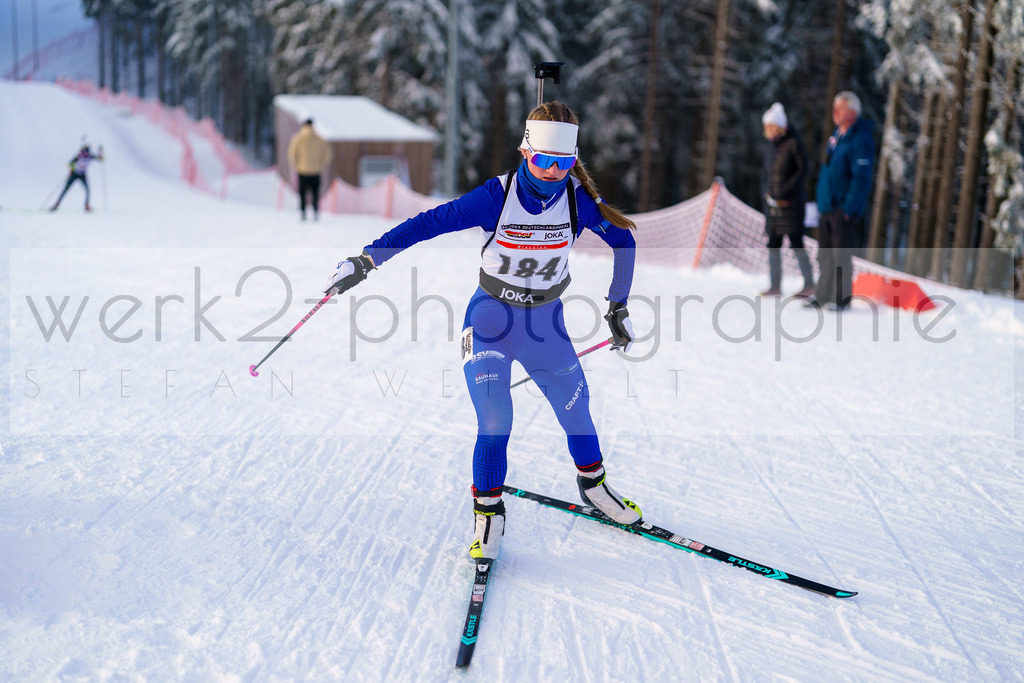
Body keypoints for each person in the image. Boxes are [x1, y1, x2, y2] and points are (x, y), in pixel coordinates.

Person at [323, 101, 642, 561]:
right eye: (542, 160)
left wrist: (618, 305)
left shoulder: (578, 201)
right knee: (496, 419)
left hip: (546, 325)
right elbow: (430, 223)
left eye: (564, 162)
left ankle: (593, 487)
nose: (553, 171)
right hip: (491, 321)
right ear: (525, 151)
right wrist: (367, 259)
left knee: (577, 408)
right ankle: (488, 514)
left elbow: (624, 241)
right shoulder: (498, 195)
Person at [807, 91, 876, 311]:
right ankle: (822, 295)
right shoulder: (836, 135)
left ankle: (841, 299)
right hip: (827, 207)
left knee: (840, 255)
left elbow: (862, 178)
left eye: (841, 107)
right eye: (834, 107)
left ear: (853, 112)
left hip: (842, 209)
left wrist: (848, 208)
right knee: (824, 256)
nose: (835, 112)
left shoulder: (860, 138)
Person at [759, 103, 814, 298]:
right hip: (772, 206)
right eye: (766, 127)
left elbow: (803, 170)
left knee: (796, 242)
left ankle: (809, 284)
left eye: (771, 126)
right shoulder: (770, 147)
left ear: (780, 126)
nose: (768, 131)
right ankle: (775, 285)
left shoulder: (794, 143)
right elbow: (766, 174)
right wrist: (766, 192)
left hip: (791, 205)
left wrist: (785, 190)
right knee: (773, 243)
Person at [287, 118, 333, 220]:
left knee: (302, 193)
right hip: (316, 171)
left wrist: (295, 165)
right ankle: (315, 211)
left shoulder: (298, 138)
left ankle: (303, 212)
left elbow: (292, 153)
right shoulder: (320, 139)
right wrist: (322, 165)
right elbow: (327, 153)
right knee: (315, 193)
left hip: (302, 171)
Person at [49, 144, 104, 212]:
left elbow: (100, 159)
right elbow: (70, 163)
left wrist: (101, 152)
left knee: (87, 189)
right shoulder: (78, 156)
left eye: (86, 152)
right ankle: (56, 205)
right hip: (74, 174)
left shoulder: (90, 156)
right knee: (65, 189)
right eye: (84, 152)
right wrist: (72, 167)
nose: (85, 154)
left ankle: (87, 205)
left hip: (82, 175)